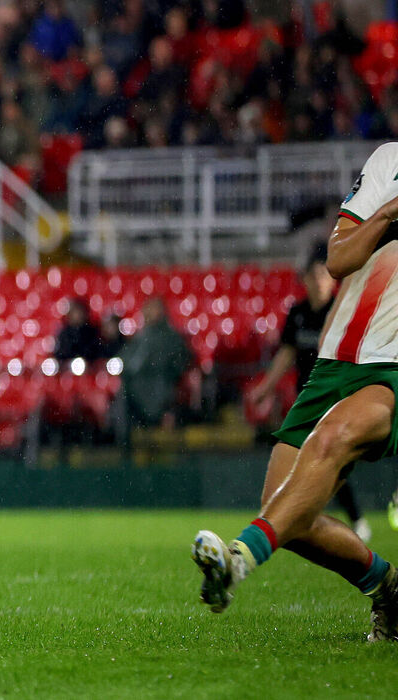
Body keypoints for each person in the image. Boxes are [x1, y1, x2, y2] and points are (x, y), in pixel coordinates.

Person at [191, 142, 398, 642]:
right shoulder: (388, 161)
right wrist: (390, 212)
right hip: (333, 365)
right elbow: (339, 258)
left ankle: (237, 562)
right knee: (286, 512)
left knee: (330, 442)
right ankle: (390, 591)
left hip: (390, 369)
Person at [246, 244, 371, 542]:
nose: (318, 281)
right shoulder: (298, 313)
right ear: (304, 279)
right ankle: (300, 517)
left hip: (337, 397)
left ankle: (347, 518)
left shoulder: (341, 311)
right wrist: (265, 388)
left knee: (328, 460)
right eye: (313, 275)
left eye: (323, 275)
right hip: (307, 399)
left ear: (332, 280)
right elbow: (286, 355)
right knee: (305, 459)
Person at [118, 296, 191, 430]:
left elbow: (180, 362)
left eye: (155, 309)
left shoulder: (171, 337)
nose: (151, 312)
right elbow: (127, 361)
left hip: (164, 383)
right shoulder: (140, 337)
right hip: (139, 385)